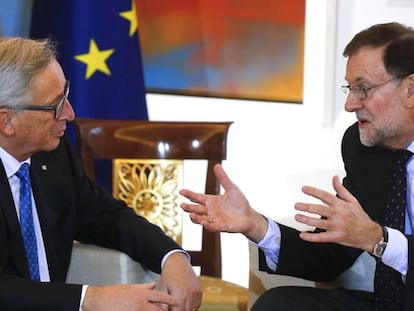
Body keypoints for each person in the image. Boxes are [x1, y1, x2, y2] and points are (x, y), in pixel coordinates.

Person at [180, 22, 414, 311]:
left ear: (410, 90)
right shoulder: (363, 148)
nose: (350, 104)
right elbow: (330, 255)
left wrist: (378, 240)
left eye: (363, 89)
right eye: (350, 88)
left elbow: (372, 237)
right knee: (279, 305)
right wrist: (256, 224)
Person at [0, 37, 202, 311]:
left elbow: (106, 216)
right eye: (55, 106)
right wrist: (91, 300)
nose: (70, 114)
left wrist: (172, 257)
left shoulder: (52, 156)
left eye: (66, 96)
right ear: (7, 121)